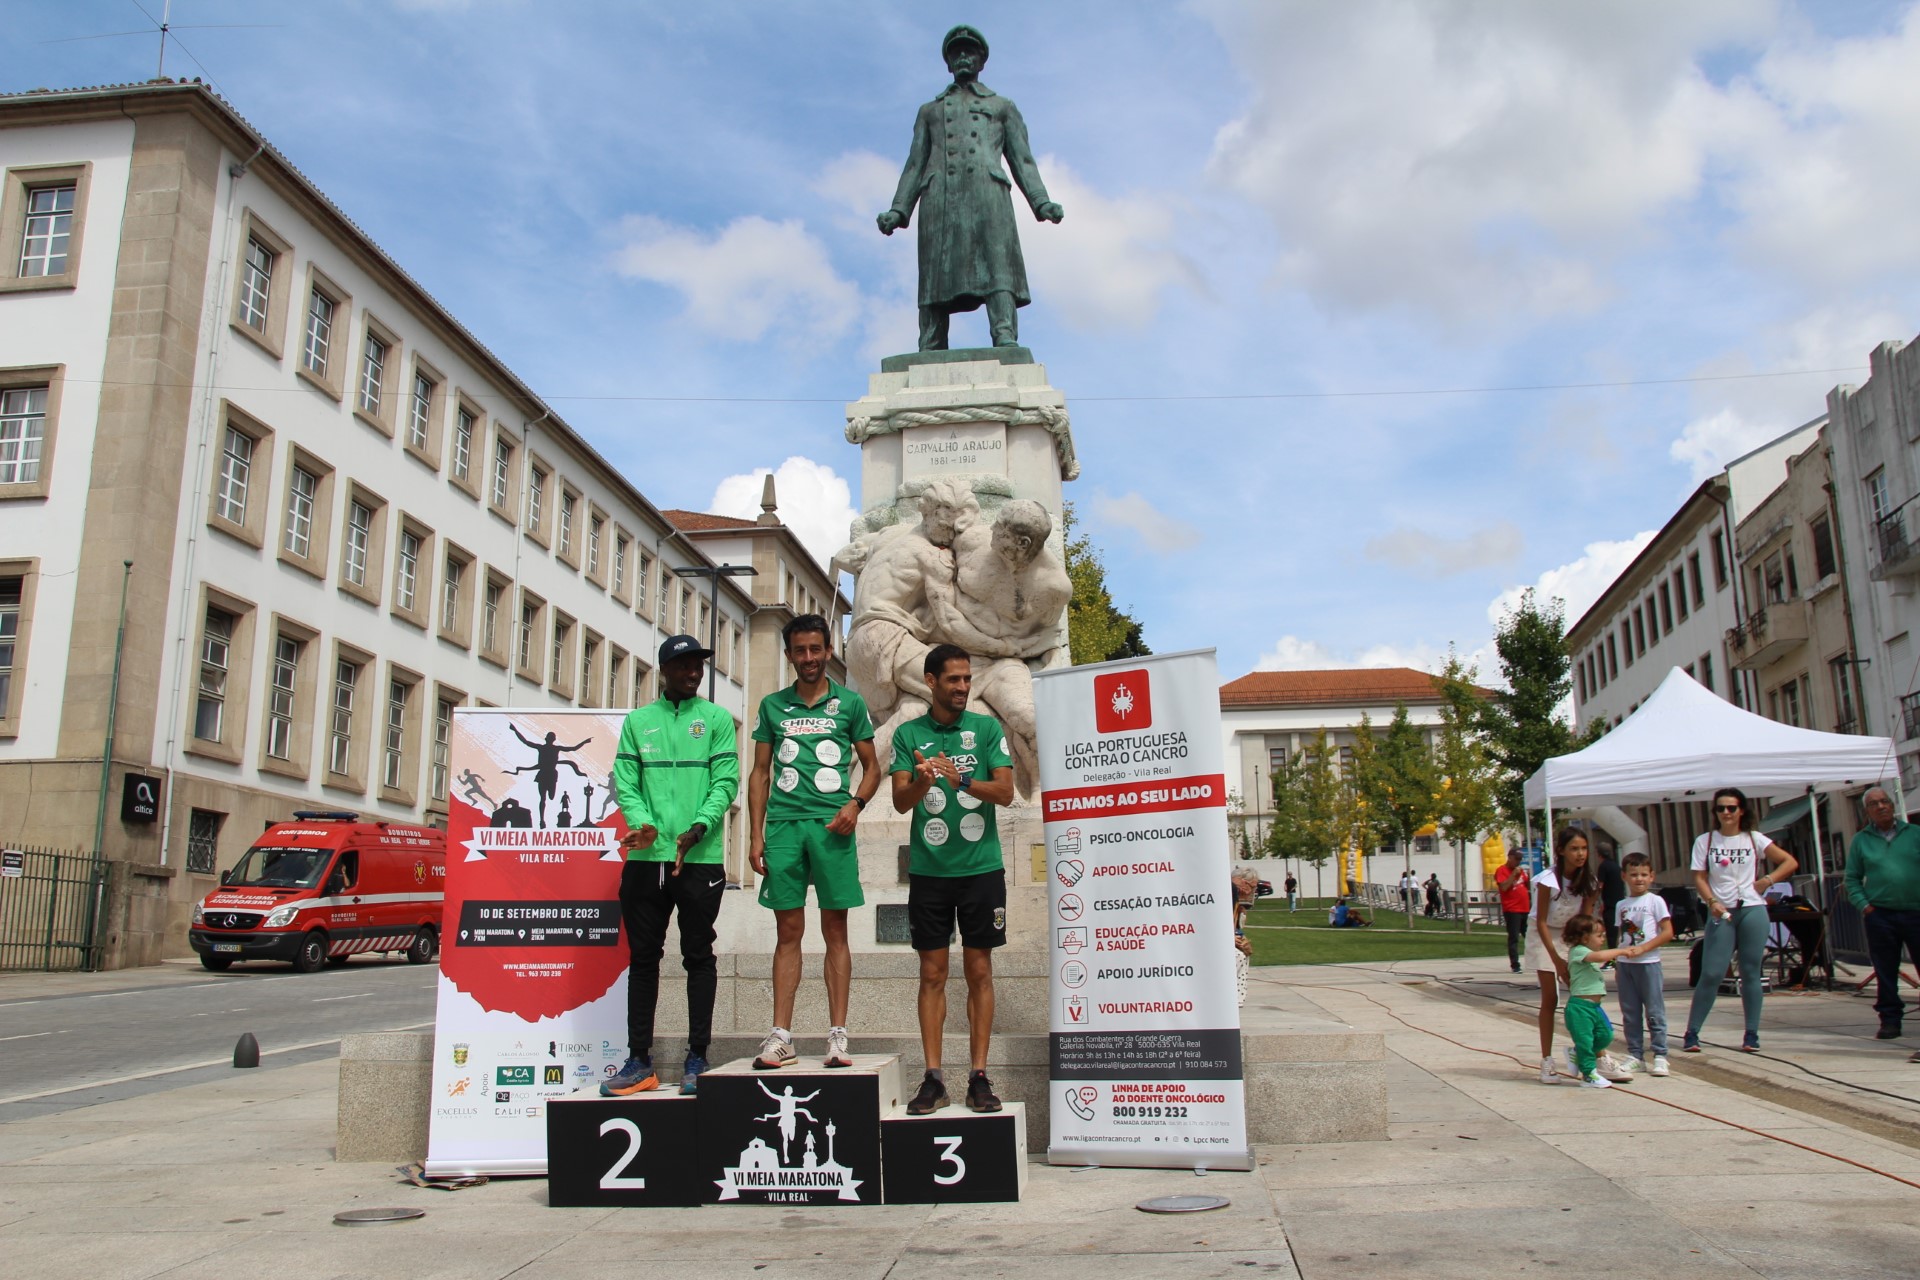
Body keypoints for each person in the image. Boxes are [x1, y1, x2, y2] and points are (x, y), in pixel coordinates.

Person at [602, 635, 739, 1097]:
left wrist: (699, 827)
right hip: (646, 858)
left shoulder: (717, 719)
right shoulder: (640, 722)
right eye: (683, 665)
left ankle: (697, 1057)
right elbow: (626, 779)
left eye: (698, 664)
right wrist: (643, 825)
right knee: (643, 959)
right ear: (664, 669)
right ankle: (639, 1061)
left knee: (698, 956)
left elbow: (725, 781)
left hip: (699, 859)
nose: (693, 672)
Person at [747, 614, 880, 1072]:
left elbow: (872, 766)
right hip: (784, 827)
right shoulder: (771, 706)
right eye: (800, 650)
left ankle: (838, 1037)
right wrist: (754, 835)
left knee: (835, 931)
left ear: (828, 651)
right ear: (789, 655)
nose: (809, 658)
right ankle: (781, 1036)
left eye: (816, 649)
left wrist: (855, 805)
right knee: (788, 933)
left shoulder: (849, 705)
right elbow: (760, 772)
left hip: (831, 827)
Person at [877, 25, 1064, 351]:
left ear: (981, 60)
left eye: (969, 53)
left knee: (997, 265)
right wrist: (898, 209)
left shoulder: (1002, 106)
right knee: (935, 273)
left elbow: (1023, 160)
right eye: (956, 54)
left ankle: (1004, 334)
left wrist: (1041, 201)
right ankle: (931, 342)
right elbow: (914, 164)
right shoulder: (930, 111)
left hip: (987, 195)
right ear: (948, 63)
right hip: (940, 198)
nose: (963, 58)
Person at [891, 644, 1016, 1115]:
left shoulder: (985, 729)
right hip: (929, 873)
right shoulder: (909, 734)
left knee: (980, 969)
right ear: (931, 681)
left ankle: (979, 1077)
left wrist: (960, 780)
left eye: (967, 679)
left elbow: (1005, 792)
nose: (963, 687)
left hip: (981, 870)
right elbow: (903, 802)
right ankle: (934, 1078)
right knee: (932, 974)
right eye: (954, 680)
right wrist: (925, 779)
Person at [1683, 787, 1798, 1054]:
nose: (1726, 813)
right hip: (1721, 911)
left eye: (1731, 808)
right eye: (1720, 808)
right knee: (1711, 972)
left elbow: (1789, 862)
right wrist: (1711, 901)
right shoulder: (1706, 841)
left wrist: (1767, 880)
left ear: (1741, 810)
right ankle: (1692, 1032)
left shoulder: (1754, 838)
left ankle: (1751, 1033)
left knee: (1750, 972)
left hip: (1751, 908)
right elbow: (1699, 877)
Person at [1527, 827, 1611, 1084]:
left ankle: (1596, 1054)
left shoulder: (1589, 881)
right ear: (1561, 851)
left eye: (1584, 848)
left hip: (1571, 935)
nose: (1580, 854)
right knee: (1550, 997)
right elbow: (1541, 921)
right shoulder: (1547, 881)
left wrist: (1587, 953)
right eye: (1574, 849)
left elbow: (1583, 922)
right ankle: (1546, 1060)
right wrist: (1557, 961)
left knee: (1586, 994)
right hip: (1545, 936)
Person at [1846, 787, 1920, 1040]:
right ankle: (1890, 1020)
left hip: (1916, 912)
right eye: (1874, 804)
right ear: (1867, 811)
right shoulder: (1861, 840)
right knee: (1886, 970)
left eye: (1885, 801)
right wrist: (1865, 906)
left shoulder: (1915, 834)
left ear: (1892, 804)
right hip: (1881, 915)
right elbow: (1852, 878)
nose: (1881, 807)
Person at [1559, 914, 1642, 1088]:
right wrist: (1621, 951)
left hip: (1594, 1007)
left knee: (1606, 1035)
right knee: (1585, 1041)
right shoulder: (1579, 951)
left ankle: (1577, 1053)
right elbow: (1599, 957)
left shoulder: (1589, 953)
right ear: (1584, 937)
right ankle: (1589, 1075)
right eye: (1599, 935)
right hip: (1580, 1009)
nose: (1602, 938)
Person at [1613, 851, 1674, 1076]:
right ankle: (1635, 1054)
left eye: (1643, 874)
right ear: (1624, 876)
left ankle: (1660, 1054)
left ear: (1651, 876)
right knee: (1630, 1011)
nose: (1638, 879)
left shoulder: (1655, 901)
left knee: (1654, 1010)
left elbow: (1667, 932)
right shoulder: (1622, 905)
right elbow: (1622, 933)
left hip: (1648, 962)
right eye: (1634, 874)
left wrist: (1644, 948)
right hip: (1626, 964)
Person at [1494, 848, 1532, 974]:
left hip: (1525, 908)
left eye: (1520, 859)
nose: (1518, 862)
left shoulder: (1522, 872)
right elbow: (1504, 887)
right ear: (1509, 857)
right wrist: (1513, 875)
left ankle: (1534, 962)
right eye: (1516, 859)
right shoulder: (1502, 870)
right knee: (1514, 937)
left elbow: (1526, 886)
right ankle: (1515, 964)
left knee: (1531, 937)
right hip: (1512, 909)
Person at [1596, 848, 1627, 949]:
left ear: (1599, 855)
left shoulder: (1603, 866)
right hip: (1620, 902)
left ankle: (1612, 958)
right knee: (1622, 931)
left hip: (1609, 904)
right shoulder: (1617, 866)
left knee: (1611, 934)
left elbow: (1600, 885)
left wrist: (1596, 900)